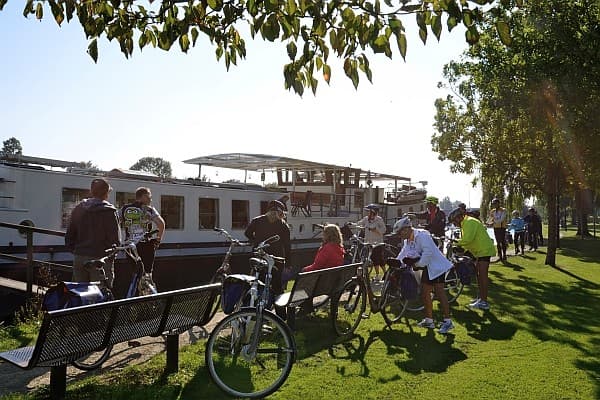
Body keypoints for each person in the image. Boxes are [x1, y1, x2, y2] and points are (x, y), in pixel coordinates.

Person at [393, 216, 454, 334]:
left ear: (406, 229)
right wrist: (396, 262)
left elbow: (428, 253)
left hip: (437, 267)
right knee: (425, 292)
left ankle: (448, 321)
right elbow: (403, 253)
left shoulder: (422, 236)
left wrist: (417, 265)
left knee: (440, 293)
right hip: (427, 268)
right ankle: (429, 320)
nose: (399, 235)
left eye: (400, 232)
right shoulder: (407, 240)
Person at [65, 178, 120, 288]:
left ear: (91, 191)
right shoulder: (109, 211)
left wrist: (76, 251)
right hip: (100, 259)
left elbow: (70, 234)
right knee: (101, 292)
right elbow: (115, 240)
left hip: (80, 256)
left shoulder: (79, 208)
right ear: (106, 194)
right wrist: (111, 257)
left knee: (80, 292)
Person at [448, 207, 496, 310]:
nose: (454, 224)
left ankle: (484, 302)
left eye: (454, 222)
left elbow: (468, 239)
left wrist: (454, 242)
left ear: (458, 218)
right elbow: (467, 242)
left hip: (484, 251)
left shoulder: (469, 222)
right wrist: (460, 247)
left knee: (482, 277)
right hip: (479, 252)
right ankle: (480, 298)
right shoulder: (465, 224)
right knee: (479, 276)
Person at [120, 187, 166, 288]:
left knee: (135, 273)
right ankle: (148, 294)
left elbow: (115, 223)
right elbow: (161, 224)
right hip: (146, 246)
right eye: (149, 196)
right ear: (144, 196)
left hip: (130, 247)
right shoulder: (149, 209)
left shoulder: (124, 209)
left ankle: (135, 292)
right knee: (147, 274)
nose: (151, 199)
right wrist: (158, 240)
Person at [244, 199, 291, 296]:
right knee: (276, 285)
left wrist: (256, 241)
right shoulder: (283, 225)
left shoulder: (257, 221)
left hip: (261, 255)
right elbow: (287, 246)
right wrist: (288, 264)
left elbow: (247, 233)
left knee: (258, 282)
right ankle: (276, 304)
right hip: (275, 258)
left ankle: (257, 302)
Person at [357, 204, 387, 281]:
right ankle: (380, 274)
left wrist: (376, 230)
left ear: (373, 212)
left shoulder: (379, 219)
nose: (368, 213)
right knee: (374, 259)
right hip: (368, 243)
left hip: (377, 243)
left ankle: (383, 274)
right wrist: (352, 224)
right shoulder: (366, 219)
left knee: (378, 259)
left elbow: (384, 230)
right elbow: (359, 224)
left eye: (369, 211)